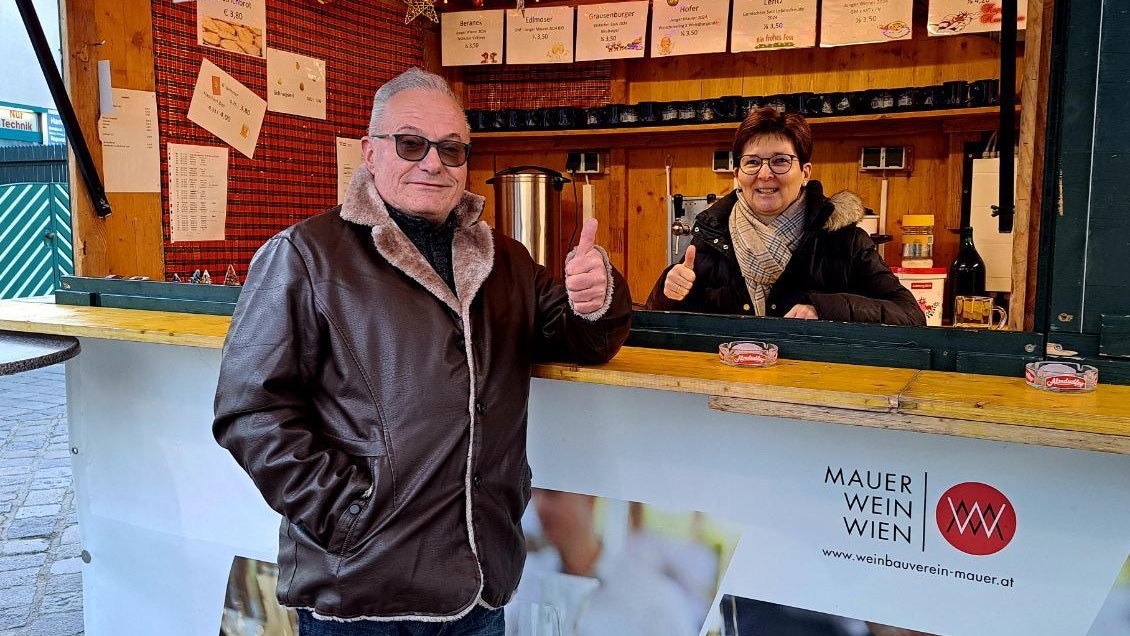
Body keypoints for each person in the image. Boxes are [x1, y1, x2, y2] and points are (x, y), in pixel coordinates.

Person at [212, 67, 632, 635]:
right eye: (412, 144)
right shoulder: (305, 255)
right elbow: (251, 411)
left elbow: (578, 338)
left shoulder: (505, 261)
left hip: (482, 586)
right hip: (363, 590)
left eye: (453, 149)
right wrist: (348, 517)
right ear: (370, 151)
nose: (434, 162)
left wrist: (596, 296)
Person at [646, 107, 925, 326]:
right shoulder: (711, 237)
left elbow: (910, 315)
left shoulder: (845, 241)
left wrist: (824, 309)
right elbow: (660, 318)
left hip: (814, 384)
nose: (765, 174)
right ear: (737, 174)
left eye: (780, 161)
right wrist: (667, 291)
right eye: (752, 162)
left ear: (805, 172)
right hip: (733, 382)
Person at [514, 489, 701, 636]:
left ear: (590, 497)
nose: (539, 505)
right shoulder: (522, 579)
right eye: (534, 492)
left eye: (553, 493)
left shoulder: (656, 601)